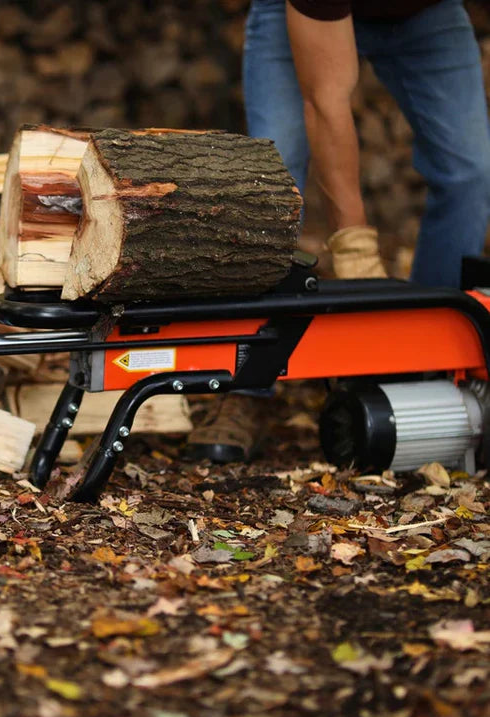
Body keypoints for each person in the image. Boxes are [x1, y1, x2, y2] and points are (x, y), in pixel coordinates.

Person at [187, 0, 490, 462]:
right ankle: (245, 389)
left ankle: (434, 370)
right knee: (273, 175)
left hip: (427, 15)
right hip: (304, 15)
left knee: (471, 173)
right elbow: (325, 101)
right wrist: (354, 244)